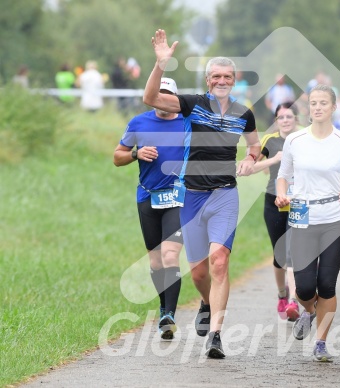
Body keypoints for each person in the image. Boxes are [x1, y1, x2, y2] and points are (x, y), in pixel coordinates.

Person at [143, 29, 260, 359]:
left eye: (227, 76)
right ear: (208, 81)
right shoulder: (192, 105)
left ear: (234, 81)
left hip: (225, 195)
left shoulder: (244, 114)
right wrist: (160, 65)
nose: (222, 80)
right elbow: (150, 99)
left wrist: (252, 160)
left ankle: (217, 336)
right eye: (216, 76)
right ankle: (206, 302)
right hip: (192, 198)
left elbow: (254, 146)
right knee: (198, 272)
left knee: (220, 262)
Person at [275, 84, 340, 362]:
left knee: (327, 285)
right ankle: (309, 309)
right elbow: (283, 175)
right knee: (305, 288)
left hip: (333, 221)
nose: (317, 107)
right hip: (302, 219)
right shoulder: (295, 140)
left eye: (323, 103)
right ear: (309, 109)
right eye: (313, 103)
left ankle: (320, 342)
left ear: (333, 108)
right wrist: (282, 193)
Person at [114, 78, 185, 340]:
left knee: (169, 256)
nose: (162, 98)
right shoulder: (138, 123)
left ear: (175, 98)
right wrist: (136, 154)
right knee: (155, 261)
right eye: (158, 93)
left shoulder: (187, 122)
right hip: (147, 196)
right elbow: (117, 157)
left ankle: (170, 316)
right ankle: (163, 308)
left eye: (167, 94)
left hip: (178, 198)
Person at [251, 102, 300, 321]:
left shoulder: (304, 141)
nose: (286, 120)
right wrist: (274, 159)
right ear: (276, 121)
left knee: (294, 253)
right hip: (274, 201)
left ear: (296, 119)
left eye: (289, 116)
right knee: (280, 254)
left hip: (299, 202)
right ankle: (282, 293)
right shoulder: (269, 141)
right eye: (281, 117)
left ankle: (294, 301)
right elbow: (252, 167)